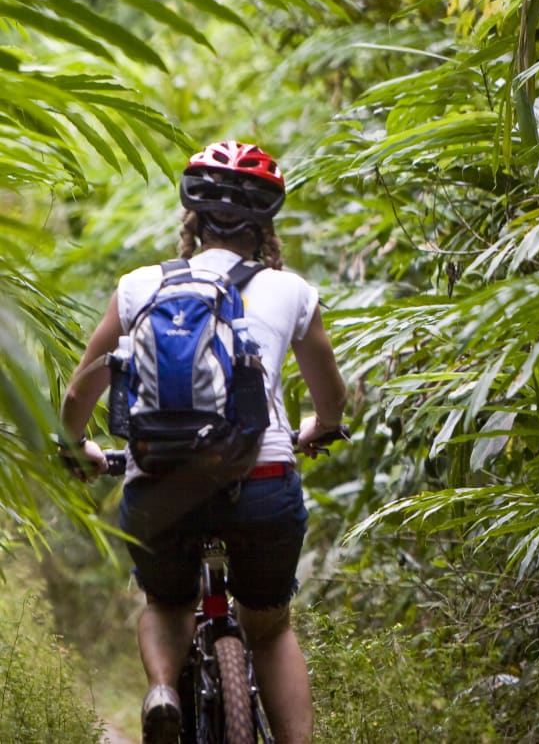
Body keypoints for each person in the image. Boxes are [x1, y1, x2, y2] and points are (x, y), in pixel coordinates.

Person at [59, 139, 347, 744]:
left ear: (190, 216)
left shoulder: (140, 286)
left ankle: (163, 689)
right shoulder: (290, 291)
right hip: (263, 480)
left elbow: (81, 390)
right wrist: (318, 429)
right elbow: (331, 398)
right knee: (267, 628)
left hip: (158, 478)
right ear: (265, 222)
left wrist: (77, 444)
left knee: (166, 604)